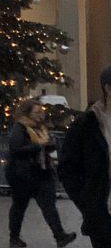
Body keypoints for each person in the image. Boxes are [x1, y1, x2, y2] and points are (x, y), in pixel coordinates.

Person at [6, 100, 75, 248]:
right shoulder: (20, 128)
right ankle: (14, 238)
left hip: (41, 171)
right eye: (36, 113)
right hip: (22, 174)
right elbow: (16, 149)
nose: (40, 115)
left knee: (49, 205)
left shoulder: (41, 128)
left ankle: (60, 235)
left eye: (41, 112)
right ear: (28, 113)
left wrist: (50, 146)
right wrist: (38, 146)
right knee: (19, 206)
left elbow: (45, 146)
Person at [59, 66, 111, 248]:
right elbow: (67, 168)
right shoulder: (88, 124)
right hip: (104, 215)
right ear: (108, 88)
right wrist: (87, 203)